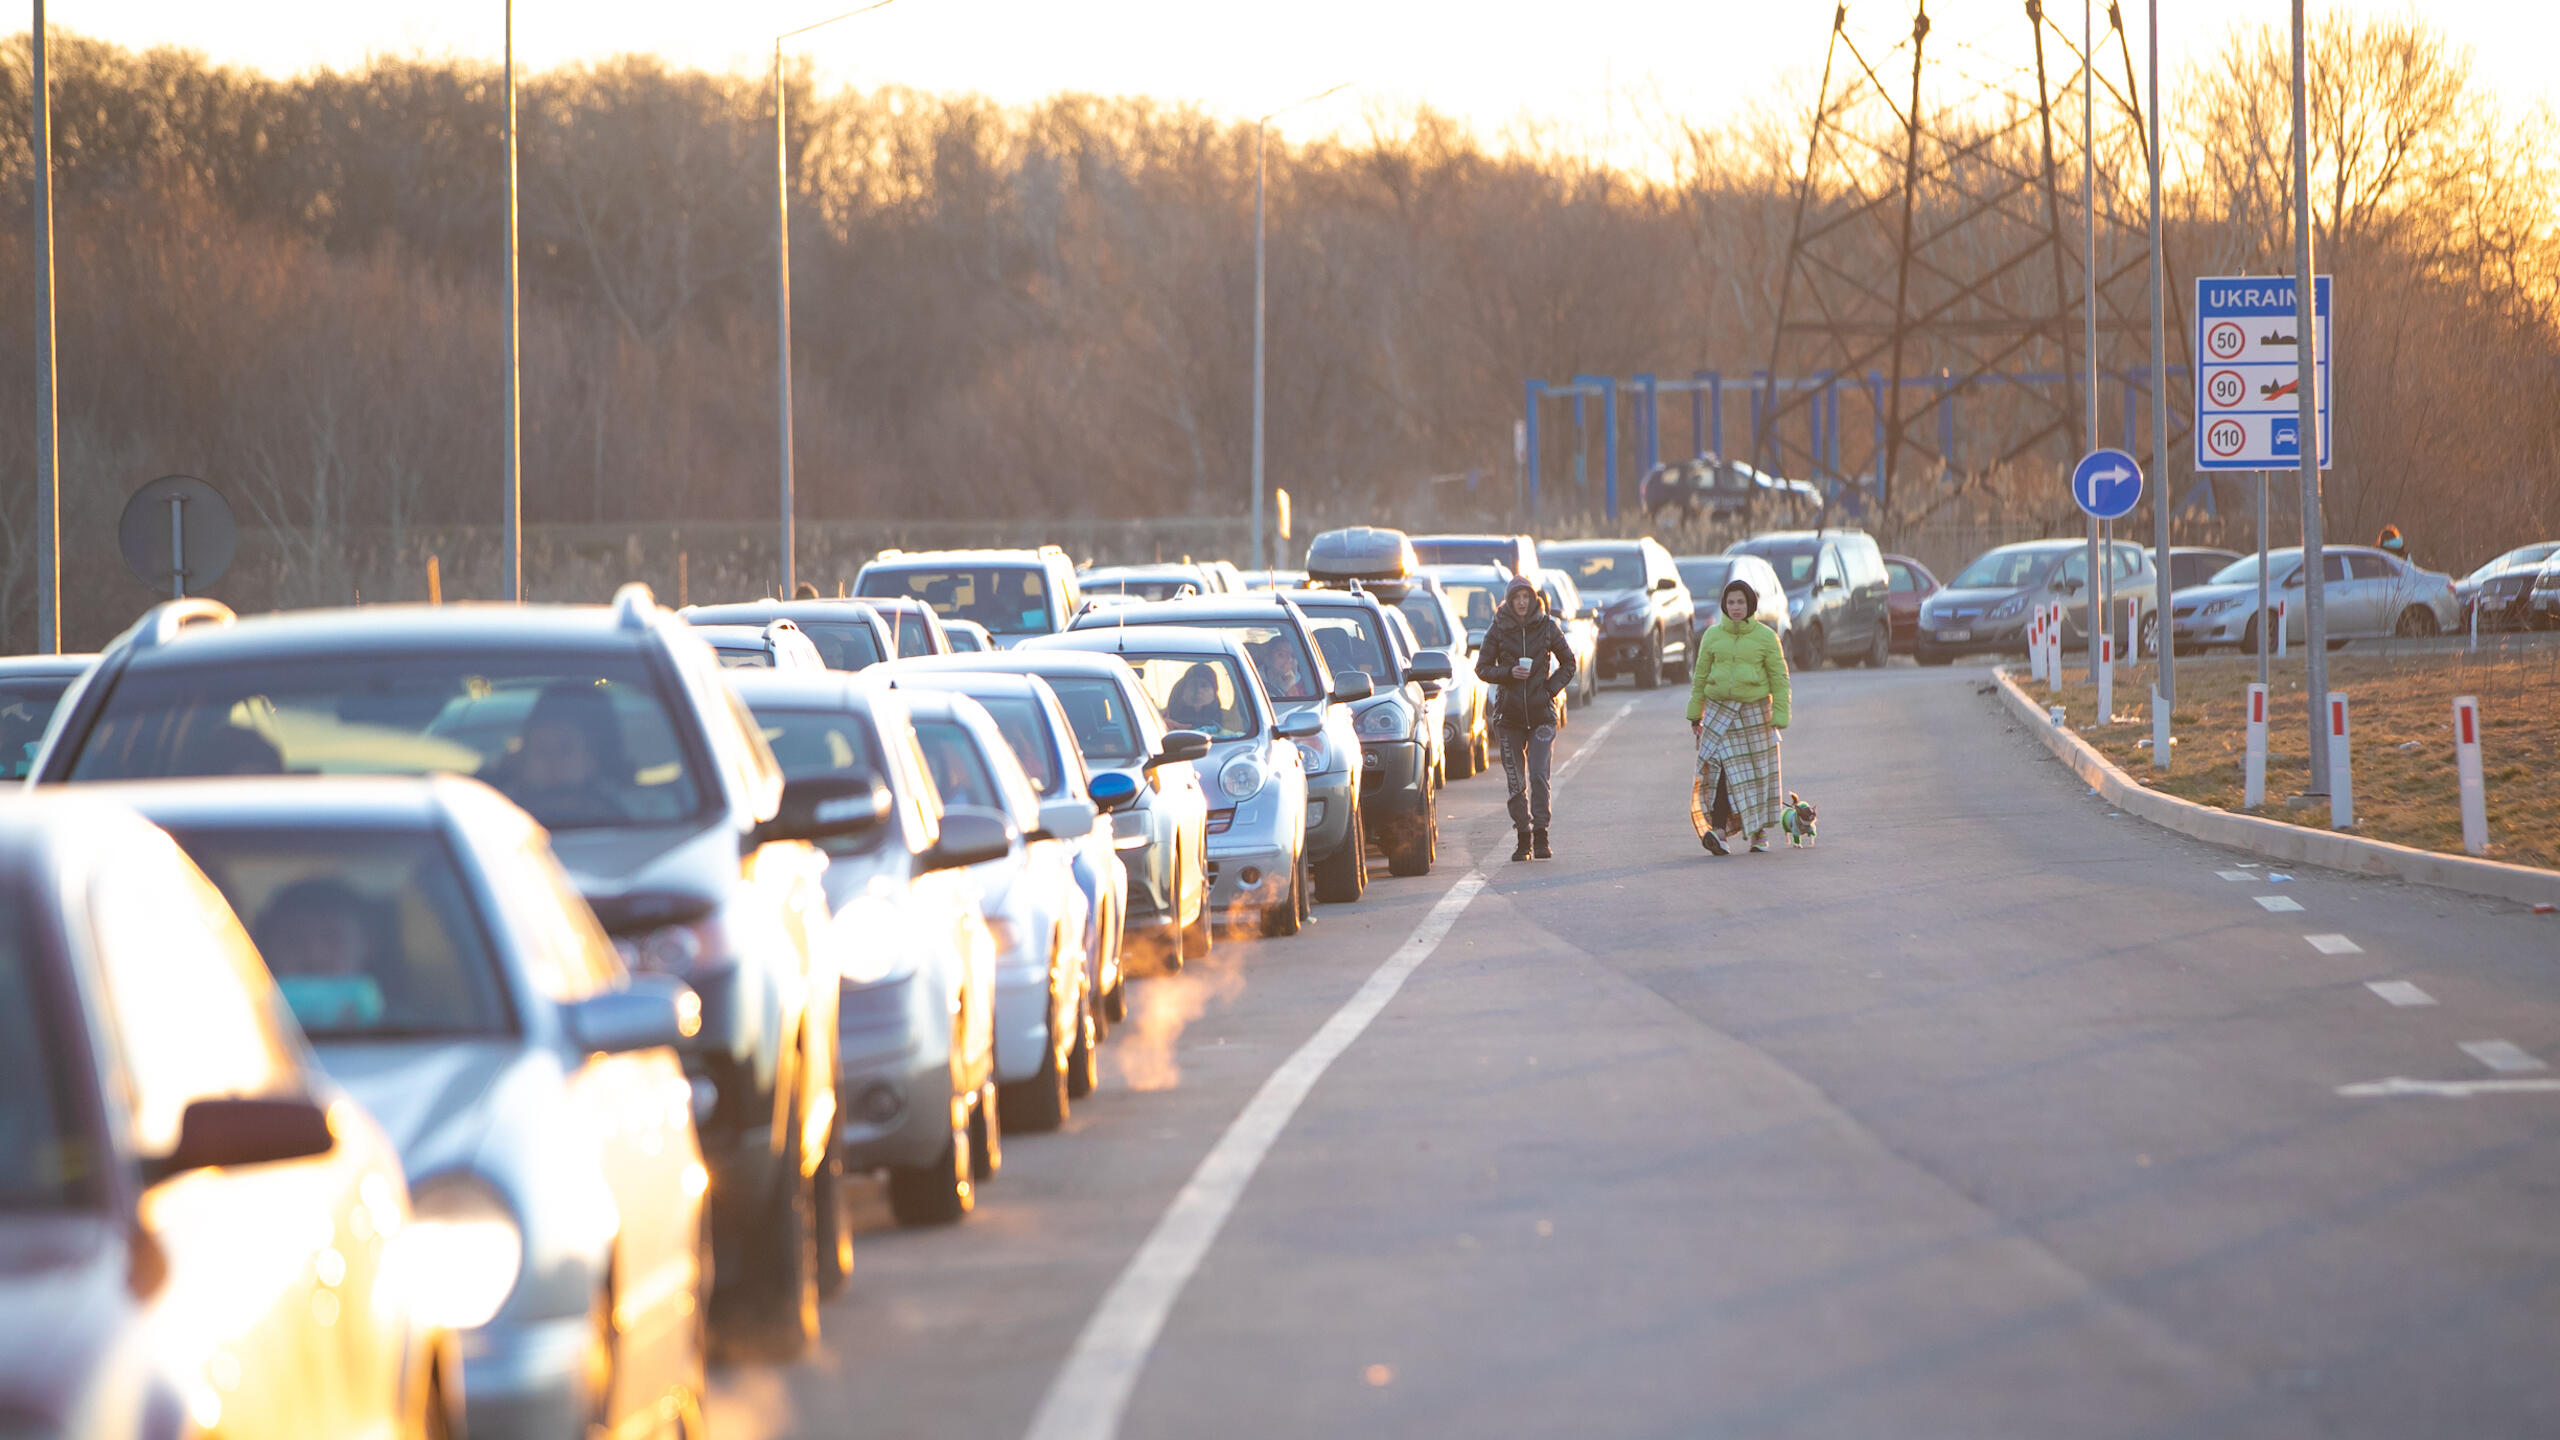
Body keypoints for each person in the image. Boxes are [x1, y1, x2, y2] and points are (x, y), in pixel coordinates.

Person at [1473, 573, 1578, 862]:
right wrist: (1508, 673)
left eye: (1526, 597)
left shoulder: (1546, 627)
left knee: (1538, 775)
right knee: (1516, 780)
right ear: (1509, 600)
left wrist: (1549, 690)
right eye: (1516, 598)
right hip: (1508, 718)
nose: (1521, 603)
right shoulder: (1498, 629)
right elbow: (1481, 669)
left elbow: (1569, 663)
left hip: (1542, 714)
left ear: (1534, 600)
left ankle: (1542, 835)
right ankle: (1523, 838)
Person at [1687, 578, 1792, 855]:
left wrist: (1781, 714)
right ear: (1724, 605)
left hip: (1755, 714)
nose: (1735, 607)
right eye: (1731, 602)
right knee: (1720, 771)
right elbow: (1700, 678)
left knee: (1755, 775)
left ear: (1750, 605)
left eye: (1740, 602)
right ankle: (1719, 831)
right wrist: (1694, 713)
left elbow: (1779, 679)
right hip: (1719, 712)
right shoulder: (1712, 636)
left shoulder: (1766, 637)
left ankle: (1758, 833)